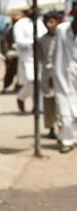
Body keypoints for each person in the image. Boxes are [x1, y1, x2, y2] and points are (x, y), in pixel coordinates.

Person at [53, 3, 77, 153]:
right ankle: (67, 141)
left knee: (75, 112)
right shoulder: (62, 30)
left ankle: (71, 137)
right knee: (65, 112)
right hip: (61, 76)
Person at [13, 8, 47, 112]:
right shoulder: (20, 24)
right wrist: (33, 42)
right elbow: (19, 41)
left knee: (40, 81)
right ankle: (21, 97)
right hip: (27, 56)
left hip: (40, 56)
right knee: (32, 80)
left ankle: (37, 106)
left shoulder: (40, 22)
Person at [37, 11, 62, 140]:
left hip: (61, 76)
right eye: (47, 22)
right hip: (47, 75)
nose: (49, 25)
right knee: (48, 103)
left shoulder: (62, 38)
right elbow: (41, 58)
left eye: (52, 22)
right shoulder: (42, 40)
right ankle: (51, 128)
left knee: (61, 104)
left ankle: (62, 130)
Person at [0, 13, 21, 94]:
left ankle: (19, 86)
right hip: (12, 54)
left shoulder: (22, 28)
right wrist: (7, 53)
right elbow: (5, 42)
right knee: (10, 72)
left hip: (21, 53)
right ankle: (6, 86)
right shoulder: (9, 30)